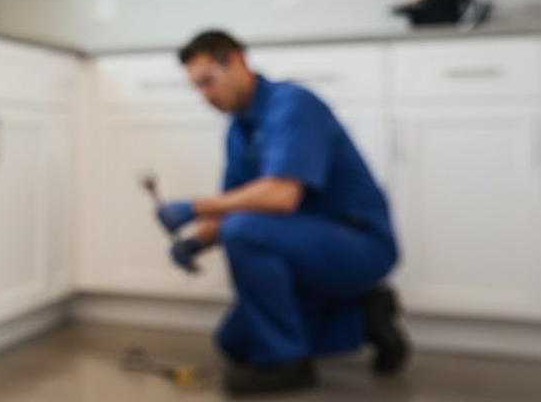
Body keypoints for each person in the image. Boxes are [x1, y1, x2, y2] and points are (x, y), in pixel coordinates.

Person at [156, 29, 407, 395]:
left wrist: (194, 206)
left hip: (360, 244)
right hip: (305, 246)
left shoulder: (292, 104)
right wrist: (195, 243)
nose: (204, 95)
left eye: (208, 81)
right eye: (196, 87)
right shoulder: (238, 131)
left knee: (244, 231)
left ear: (237, 61)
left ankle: (286, 362)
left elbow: (280, 196)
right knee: (233, 342)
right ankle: (362, 316)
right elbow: (234, 205)